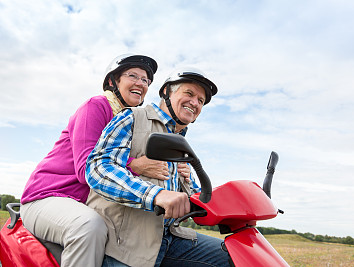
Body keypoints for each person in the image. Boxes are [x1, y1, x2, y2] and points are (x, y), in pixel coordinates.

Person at [20, 54, 190, 267]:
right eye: (133, 76)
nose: (141, 83)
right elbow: (86, 170)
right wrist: (136, 165)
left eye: (146, 80)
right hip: (48, 196)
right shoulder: (96, 106)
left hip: (85, 204)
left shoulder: (136, 122)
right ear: (112, 82)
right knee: (88, 227)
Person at [85, 68, 230, 267]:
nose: (195, 103)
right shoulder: (132, 117)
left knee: (233, 256)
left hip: (171, 238)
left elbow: (194, 196)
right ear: (166, 92)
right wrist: (156, 195)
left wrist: (230, 205)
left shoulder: (180, 143)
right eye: (189, 94)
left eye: (201, 101)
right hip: (126, 244)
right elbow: (98, 168)